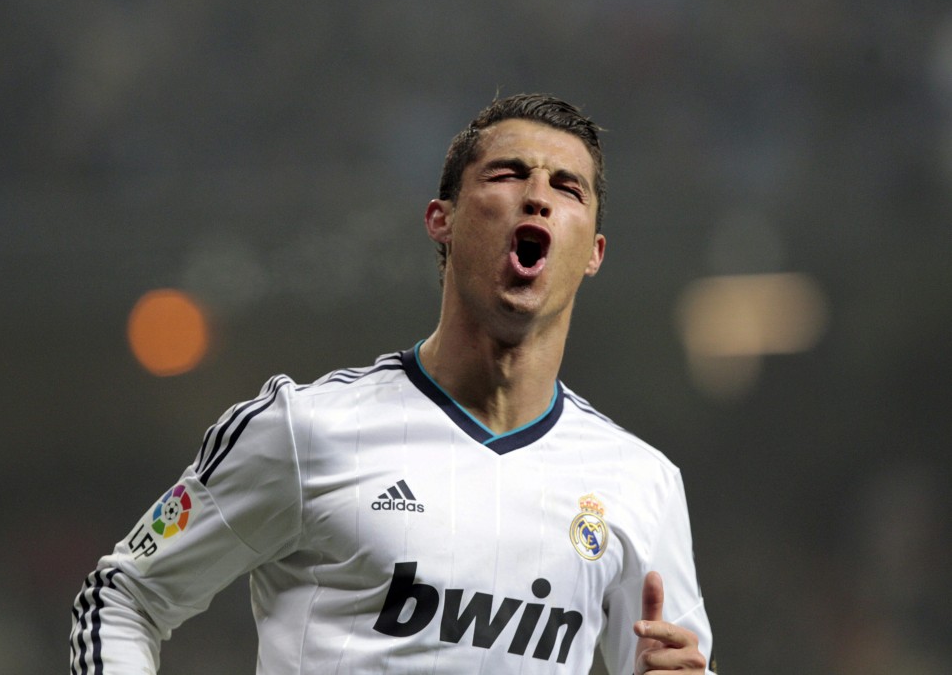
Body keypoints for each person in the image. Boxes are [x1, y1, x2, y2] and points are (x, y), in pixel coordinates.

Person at [70, 93, 715, 674]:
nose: (539, 195)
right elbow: (124, 598)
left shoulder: (641, 483)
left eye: (568, 187)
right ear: (442, 219)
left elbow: (673, 666)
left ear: (595, 252)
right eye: (508, 173)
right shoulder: (307, 430)